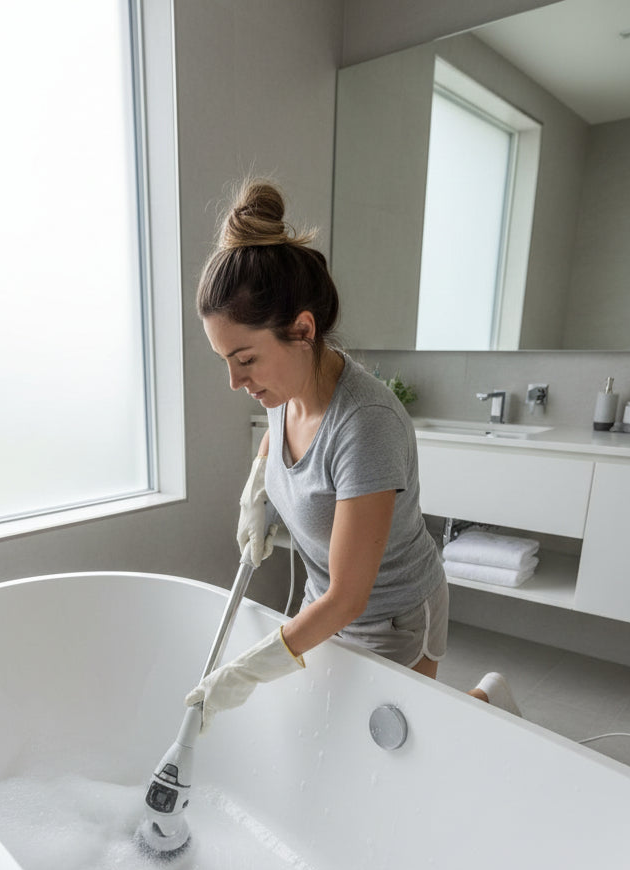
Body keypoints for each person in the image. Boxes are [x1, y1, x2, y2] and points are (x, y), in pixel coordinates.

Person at [186, 178, 520, 728]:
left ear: (302, 330)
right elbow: (278, 438)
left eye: (245, 359)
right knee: (327, 735)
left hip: (392, 615)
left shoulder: (366, 426)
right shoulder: (284, 391)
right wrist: (258, 487)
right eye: (225, 360)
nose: (234, 381)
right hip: (325, 600)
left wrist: (243, 672)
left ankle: (489, 702)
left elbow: (348, 597)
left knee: (403, 745)